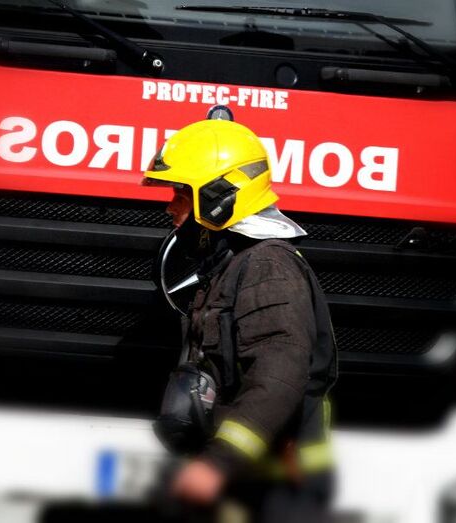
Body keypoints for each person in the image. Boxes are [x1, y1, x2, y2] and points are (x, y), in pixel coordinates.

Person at [142, 113, 338, 522]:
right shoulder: (234, 263)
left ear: (218, 197)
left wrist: (219, 463)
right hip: (248, 487)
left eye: (181, 194)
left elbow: (278, 378)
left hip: (277, 492)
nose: (170, 206)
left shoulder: (269, 268)